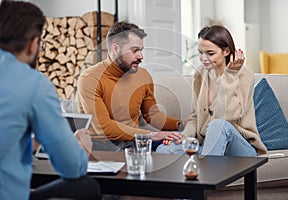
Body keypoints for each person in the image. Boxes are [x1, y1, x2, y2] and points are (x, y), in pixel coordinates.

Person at [0, 1, 101, 199]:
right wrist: (81, 149)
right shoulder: (32, 84)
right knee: (86, 186)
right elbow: (71, 167)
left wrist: (28, 144)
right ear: (33, 43)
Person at [157, 25, 267, 156]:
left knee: (217, 125)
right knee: (164, 150)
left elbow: (228, 116)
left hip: (239, 149)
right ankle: (206, 159)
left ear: (226, 51)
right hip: (206, 145)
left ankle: (207, 170)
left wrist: (230, 75)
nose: (203, 58)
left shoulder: (244, 75)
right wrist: (185, 136)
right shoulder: (200, 74)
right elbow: (195, 117)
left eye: (210, 53)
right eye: (200, 52)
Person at [77, 21, 183, 151]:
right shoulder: (90, 78)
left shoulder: (143, 75)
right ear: (115, 49)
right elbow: (104, 127)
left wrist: (180, 126)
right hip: (102, 147)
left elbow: (152, 115)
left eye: (141, 50)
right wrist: (151, 135)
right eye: (134, 51)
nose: (140, 56)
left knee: (179, 145)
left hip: (135, 141)